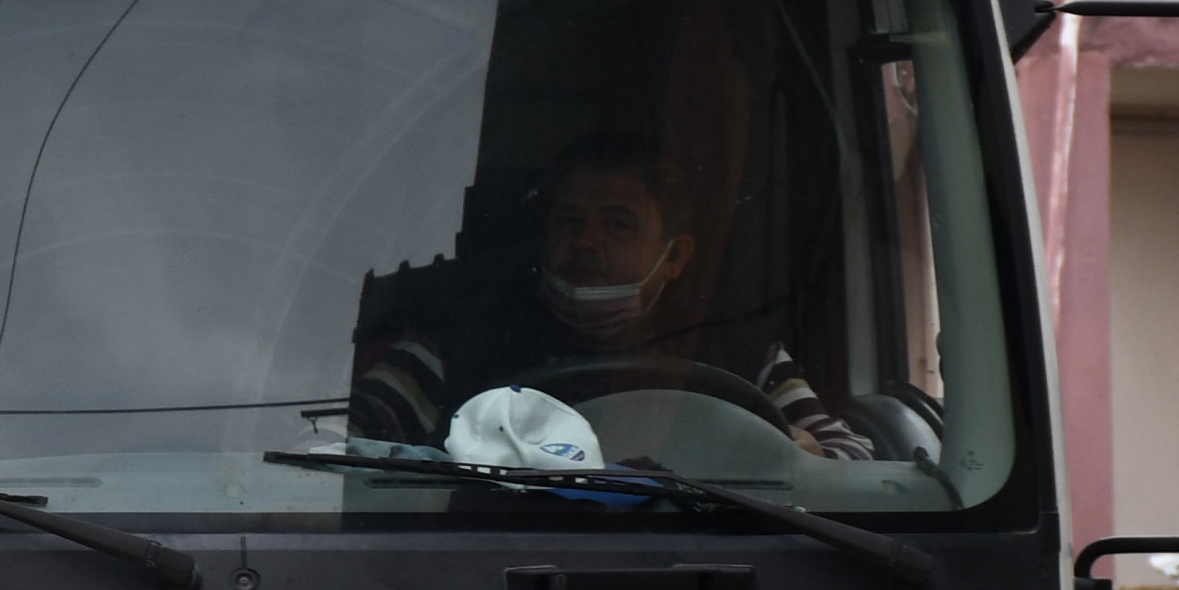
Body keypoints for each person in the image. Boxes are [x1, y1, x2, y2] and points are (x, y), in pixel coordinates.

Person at [349, 131, 871, 460]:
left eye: (618, 225)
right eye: (570, 221)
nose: (587, 242)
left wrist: (809, 459)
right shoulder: (452, 338)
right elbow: (334, 445)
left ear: (675, 258)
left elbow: (847, 453)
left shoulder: (743, 352)